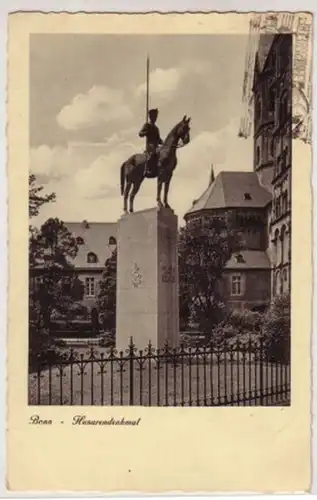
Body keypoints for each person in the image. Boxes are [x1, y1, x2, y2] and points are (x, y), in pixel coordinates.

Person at [139, 108, 163, 177]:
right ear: (150, 116)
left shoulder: (156, 128)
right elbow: (140, 133)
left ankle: (159, 169)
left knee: (163, 152)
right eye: (154, 116)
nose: (155, 118)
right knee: (153, 152)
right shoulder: (147, 125)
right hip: (150, 145)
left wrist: (164, 143)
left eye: (156, 116)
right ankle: (147, 169)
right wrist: (145, 132)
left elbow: (158, 139)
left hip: (156, 145)